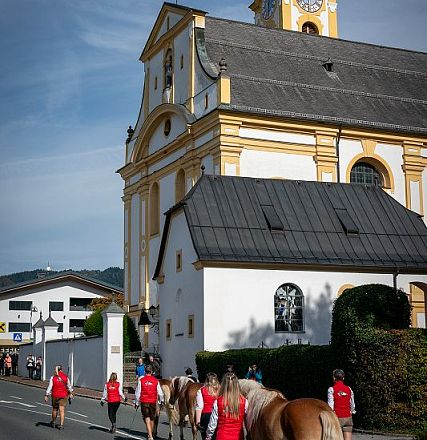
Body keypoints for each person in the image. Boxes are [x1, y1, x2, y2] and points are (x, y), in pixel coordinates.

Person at [205, 372, 248, 440]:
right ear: (237, 385)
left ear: (223, 385)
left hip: (222, 436)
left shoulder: (218, 402)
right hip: (238, 437)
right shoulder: (244, 402)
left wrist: (208, 436)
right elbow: (247, 422)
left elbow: (212, 424)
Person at [134, 365, 164, 440]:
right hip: (153, 402)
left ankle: (150, 436)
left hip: (144, 402)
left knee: (147, 419)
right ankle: (151, 435)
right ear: (151, 372)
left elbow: (138, 393)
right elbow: (160, 393)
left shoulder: (141, 380)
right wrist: (161, 401)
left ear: (145, 372)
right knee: (152, 419)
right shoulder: (156, 380)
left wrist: (137, 403)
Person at [328, 369, 356, 440]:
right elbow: (352, 405)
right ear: (343, 378)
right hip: (348, 418)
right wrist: (351, 412)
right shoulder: (349, 389)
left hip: (337, 418)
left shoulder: (331, 389)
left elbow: (330, 407)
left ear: (334, 378)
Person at [44, 365, 73, 430]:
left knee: (55, 409)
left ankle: (53, 422)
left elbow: (50, 387)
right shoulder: (66, 377)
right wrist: (71, 393)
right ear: (61, 370)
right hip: (63, 395)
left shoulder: (53, 377)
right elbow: (69, 386)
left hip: (55, 395)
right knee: (62, 410)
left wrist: (46, 395)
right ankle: (61, 424)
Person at [195, 373, 220, 440]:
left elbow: (199, 407)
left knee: (205, 437)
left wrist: (197, 422)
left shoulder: (201, 390)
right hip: (219, 415)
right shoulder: (220, 390)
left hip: (206, 416)